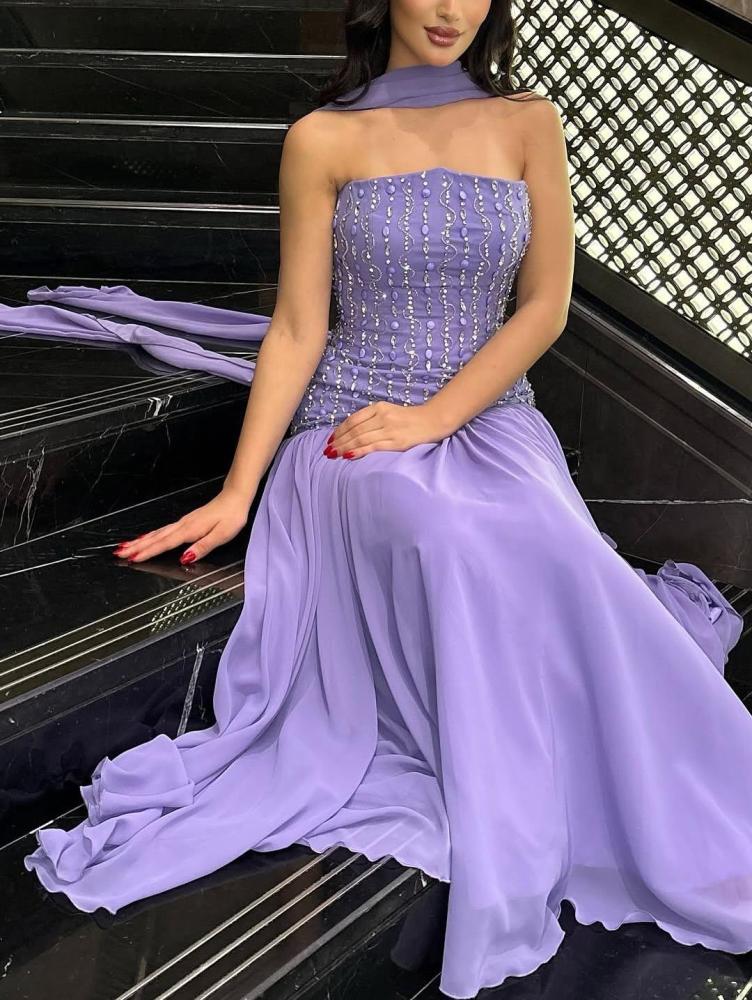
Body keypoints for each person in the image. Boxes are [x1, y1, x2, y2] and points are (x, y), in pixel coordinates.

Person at [22, 4, 751, 999]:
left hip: (490, 418)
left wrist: (437, 416)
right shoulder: (321, 140)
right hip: (349, 431)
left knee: (560, 549)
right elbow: (296, 328)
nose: (453, 9)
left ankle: (677, 800)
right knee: (445, 534)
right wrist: (238, 491)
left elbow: (543, 304)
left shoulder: (528, 120)